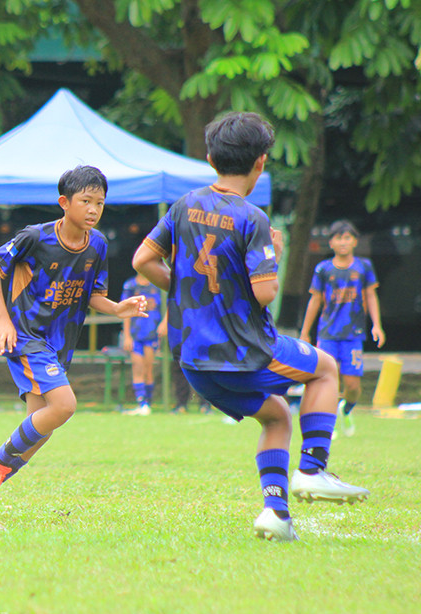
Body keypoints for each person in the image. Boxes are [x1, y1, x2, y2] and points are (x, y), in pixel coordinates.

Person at [132, 111, 368, 543]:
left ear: (209, 157)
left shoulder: (184, 205)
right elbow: (265, 292)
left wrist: (184, 292)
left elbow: (142, 261)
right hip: (243, 353)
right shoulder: (252, 217)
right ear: (261, 162)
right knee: (326, 368)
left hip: (194, 363)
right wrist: (272, 254)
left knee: (277, 415)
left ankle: (276, 515)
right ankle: (313, 470)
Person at [0, 165, 147, 514]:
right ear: (64, 202)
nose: (93, 209)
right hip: (28, 336)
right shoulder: (36, 237)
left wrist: (120, 308)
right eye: (86, 201)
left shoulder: (98, 245)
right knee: (64, 406)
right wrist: (1, 319)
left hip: (59, 346)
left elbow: (94, 295)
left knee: (43, 427)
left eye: (100, 203)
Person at [299, 220, 384, 437]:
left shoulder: (364, 267)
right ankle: (329, 424)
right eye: (338, 238)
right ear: (331, 242)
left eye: (347, 237)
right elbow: (315, 300)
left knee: (353, 386)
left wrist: (377, 325)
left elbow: (371, 296)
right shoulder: (323, 269)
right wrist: (305, 331)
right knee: (328, 379)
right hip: (328, 334)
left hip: (353, 335)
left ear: (355, 241)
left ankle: (346, 409)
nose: (343, 242)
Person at [121, 273, 162, 415]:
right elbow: (125, 311)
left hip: (152, 333)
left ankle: (148, 403)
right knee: (137, 366)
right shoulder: (131, 285)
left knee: (148, 368)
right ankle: (141, 402)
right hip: (135, 333)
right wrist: (127, 336)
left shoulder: (157, 285)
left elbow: (164, 308)